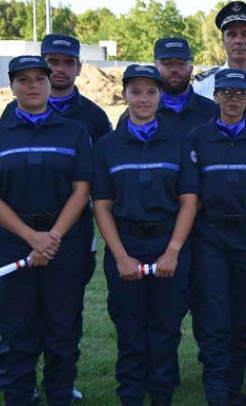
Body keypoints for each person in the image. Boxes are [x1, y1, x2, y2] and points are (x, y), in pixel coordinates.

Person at [0, 56, 92, 406]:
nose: (33, 86)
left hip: (63, 242)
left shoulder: (73, 131)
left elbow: (81, 189)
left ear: (48, 82)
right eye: (23, 80)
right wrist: (31, 237)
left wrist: (51, 236)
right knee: (16, 325)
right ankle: (19, 394)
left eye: (39, 78)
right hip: (13, 243)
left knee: (61, 325)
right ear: (12, 86)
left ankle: (59, 394)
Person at [0, 34, 110, 404]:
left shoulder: (91, 119)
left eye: (66, 63)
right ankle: (21, 385)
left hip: (71, 236)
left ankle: (61, 386)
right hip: (20, 236)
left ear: (77, 68)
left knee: (64, 315)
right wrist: (32, 235)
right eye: (53, 62)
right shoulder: (4, 121)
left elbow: (92, 183)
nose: (58, 70)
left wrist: (58, 236)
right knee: (20, 318)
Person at [92, 64, 198, 406]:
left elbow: (189, 201)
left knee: (166, 330)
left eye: (151, 92)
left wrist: (173, 251)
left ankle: (163, 396)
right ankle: (132, 396)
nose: (143, 98)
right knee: (131, 330)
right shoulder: (107, 146)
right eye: (135, 92)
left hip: (169, 245)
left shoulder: (178, 144)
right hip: (126, 245)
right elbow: (102, 206)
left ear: (160, 96)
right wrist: (121, 256)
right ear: (124, 95)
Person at [187, 68, 246, 406]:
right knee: (214, 315)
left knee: (241, 314)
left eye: (240, 94)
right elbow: (191, 191)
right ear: (216, 96)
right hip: (211, 236)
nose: (233, 99)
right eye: (226, 93)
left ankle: (233, 388)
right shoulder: (197, 137)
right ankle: (218, 393)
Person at [117, 37, 219, 135]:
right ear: (155, 68)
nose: (174, 69)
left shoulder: (212, 112)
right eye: (167, 63)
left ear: (191, 69)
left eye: (181, 63)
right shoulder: (133, 116)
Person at [194, 1, 246, 99]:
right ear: (223, 42)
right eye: (232, 35)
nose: (238, 41)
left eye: (245, 34)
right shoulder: (204, 84)